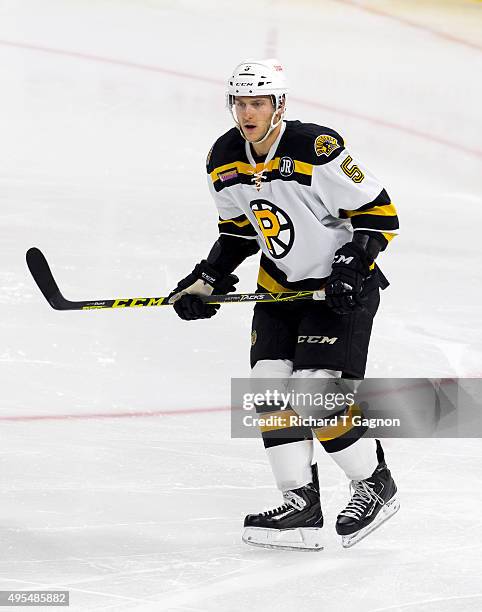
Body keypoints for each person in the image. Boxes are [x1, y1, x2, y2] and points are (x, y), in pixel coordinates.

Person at [168, 59, 400, 550]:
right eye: (240, 102)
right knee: (270, 390)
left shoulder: (317, 147)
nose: (248, 112)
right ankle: (301, 503)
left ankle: (373, 483)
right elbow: (237, 233)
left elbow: (380, 214)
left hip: (339, 293)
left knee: (312, 393)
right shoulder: (224, 156)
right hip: (280, 290)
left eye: (258, 102)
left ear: (279, 105)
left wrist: (351, 267)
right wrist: (207, 279)